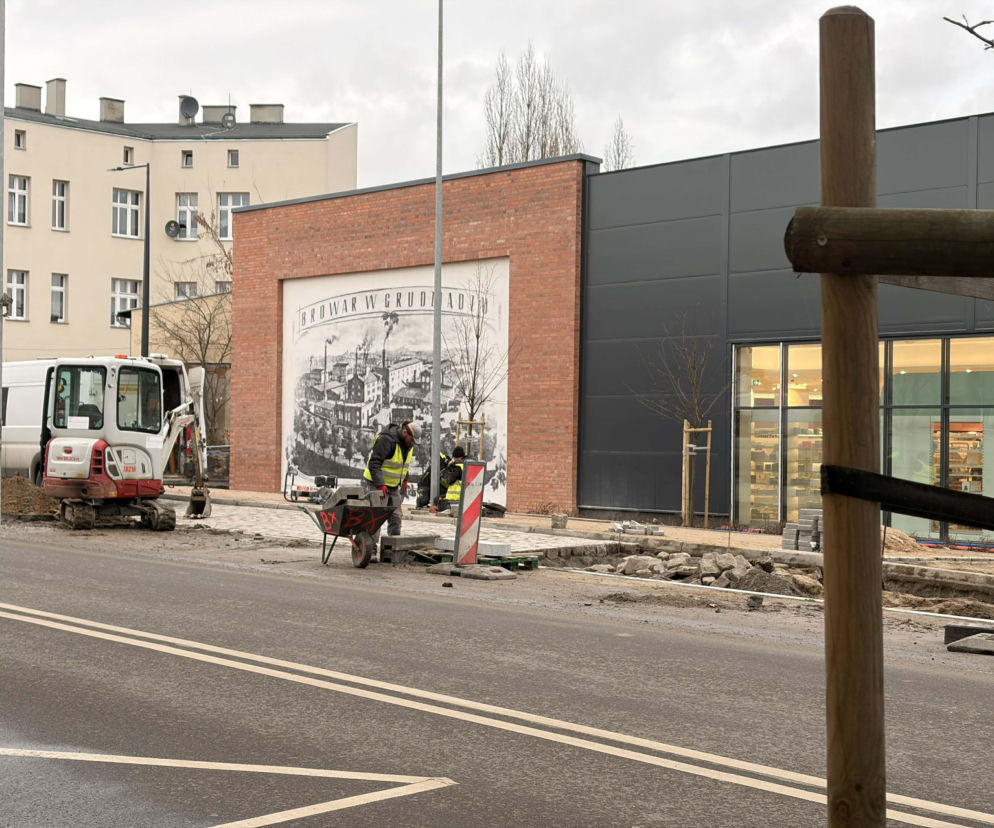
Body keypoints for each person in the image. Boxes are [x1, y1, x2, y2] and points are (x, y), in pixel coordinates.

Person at [361, 420, 420, 541]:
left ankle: (392, 549)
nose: (413, 443)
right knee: (375, 518)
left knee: (396, 517)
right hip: (375, 484)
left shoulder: (408, 446)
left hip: (393, 486)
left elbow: (402, 465)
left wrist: (404, 480)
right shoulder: (387, 440)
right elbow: (374, 463)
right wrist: (380, 484)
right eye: (412, 440)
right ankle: (369, 549)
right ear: (404, 433)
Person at [440, 446, 467, 511]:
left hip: (454, 498)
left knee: (437, 500)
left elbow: (447, 480)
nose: (453, 459)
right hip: (463, 497)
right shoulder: (466, 466)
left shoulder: (457, 468)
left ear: (459, 458)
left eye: (454, 458)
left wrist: (449, 467)